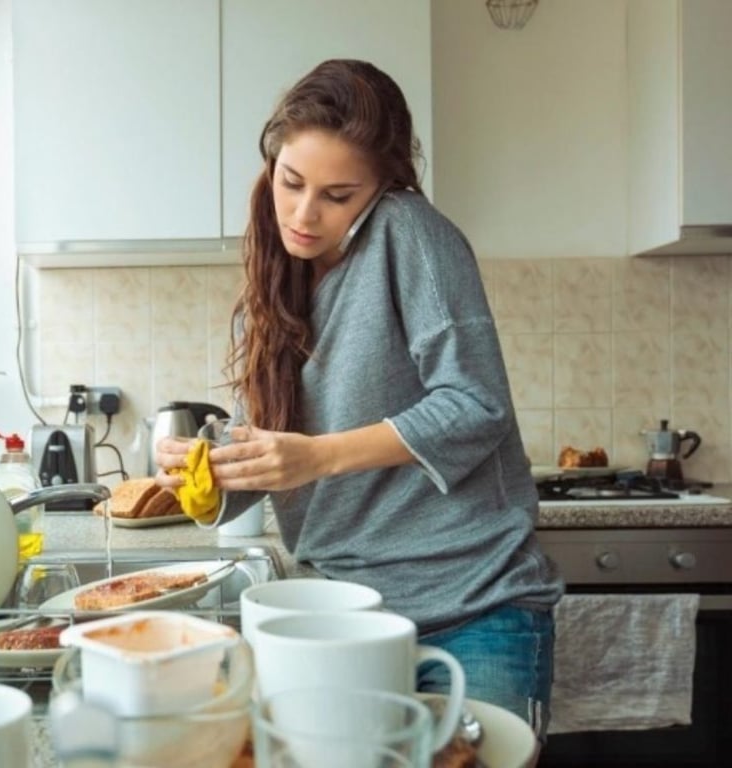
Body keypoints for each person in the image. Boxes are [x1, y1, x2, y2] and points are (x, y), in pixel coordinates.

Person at [153, 58, 564, 747]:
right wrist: (211, 471)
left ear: (381, 189)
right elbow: (292, 452)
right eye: (292, 183)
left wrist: (317, 458)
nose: (305, 213)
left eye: (338, 195)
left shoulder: (410, 234)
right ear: (273, 162)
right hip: (345, 618)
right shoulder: (272, 291)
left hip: (474, 611)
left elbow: (475, 404)